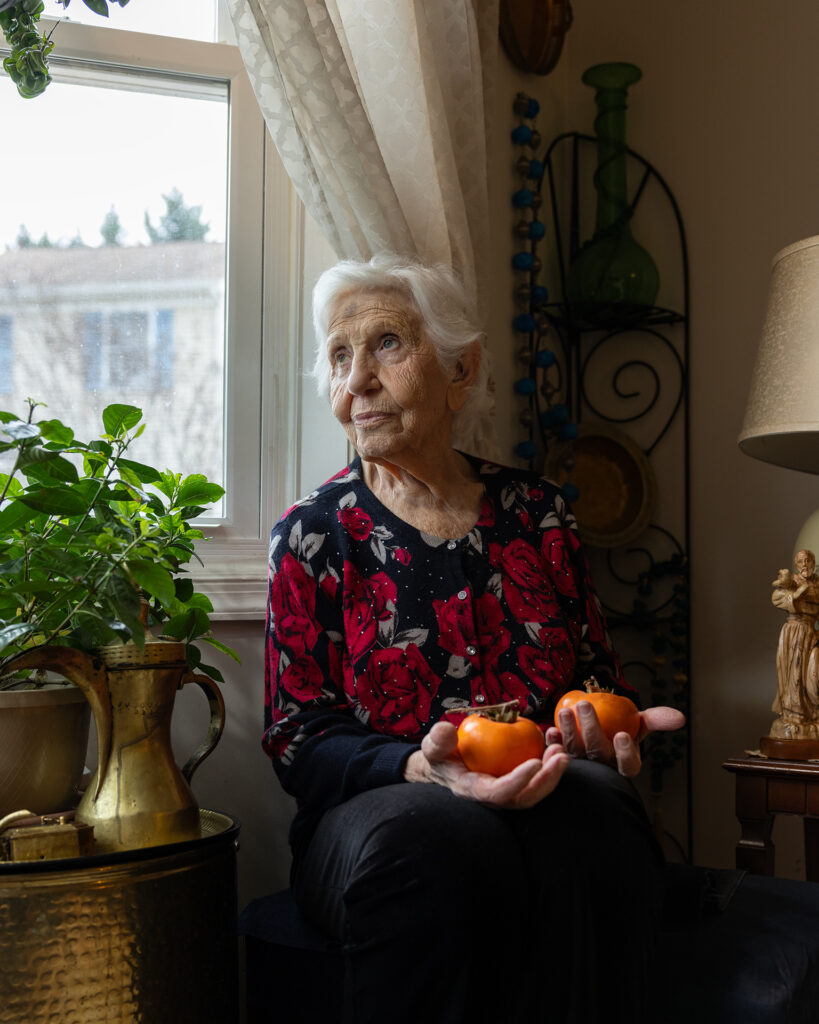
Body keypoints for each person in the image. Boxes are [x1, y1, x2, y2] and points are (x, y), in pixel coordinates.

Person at [263, 254, 685, 1024]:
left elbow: (592, 677)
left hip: (542, 781)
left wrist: (596, 725)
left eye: (386, 344)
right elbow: (297, 736)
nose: (357, 381)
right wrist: (420, 767)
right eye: (338, 357)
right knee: (437, 835)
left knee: (598, 808)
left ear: (460, 371)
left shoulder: (538, 512)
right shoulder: (313, 534)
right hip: (378, 810)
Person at [770, 549, 819, 737]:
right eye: (800, 561)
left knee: (811, 674)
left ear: (813, 562)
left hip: (811, 632)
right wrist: (797, 595)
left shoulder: (817, 583)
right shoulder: (792, 581)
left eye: (808, 560)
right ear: (796, 564)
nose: (805, 564)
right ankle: (795, 717)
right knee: (794, 674)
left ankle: (812, 714)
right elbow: (778, 598)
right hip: (794, 632)